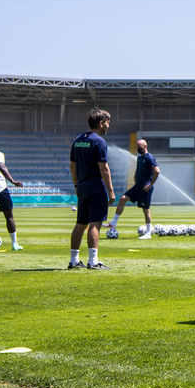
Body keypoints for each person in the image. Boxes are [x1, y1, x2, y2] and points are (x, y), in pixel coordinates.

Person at [68, 109, 115, 270]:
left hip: (81, 185)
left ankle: (74, 261)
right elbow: (104, 168)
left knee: (80, 223)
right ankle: (93, 261)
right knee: (95, 224)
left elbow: (72, 167)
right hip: (95, 186)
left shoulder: (78, 140)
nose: (108, 125)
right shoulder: (99, 141)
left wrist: (76, 185)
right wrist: (110, 190)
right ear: (101, 123)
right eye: (108, 122)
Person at [105, 139, 160, 240]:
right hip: (137, 186)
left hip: (145, 188)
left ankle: (148, 232)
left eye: (140, 147)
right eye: (137, 147)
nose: (138, 149)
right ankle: (113, 223)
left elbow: (157, 171)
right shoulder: (139, 158)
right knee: (122, 199)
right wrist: (135, 176)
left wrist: (151, 184)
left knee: (145, 210)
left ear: (145, 146)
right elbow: (138, 167)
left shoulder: (149, 157)